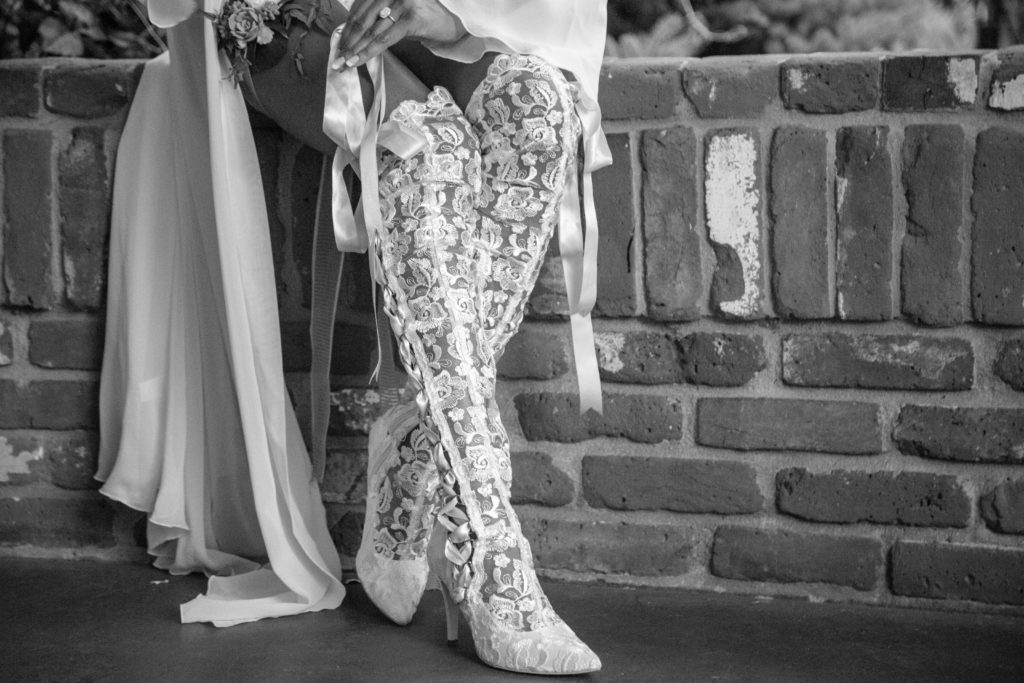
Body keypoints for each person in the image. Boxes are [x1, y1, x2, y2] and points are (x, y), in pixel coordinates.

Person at [97, 0, 609, 674]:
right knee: (424, 144)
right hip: (293, 18)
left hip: (451, 18)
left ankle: (410, 463)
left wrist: (445, 15)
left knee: (538, 109)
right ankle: (493, 553)